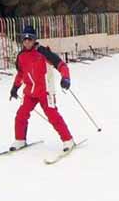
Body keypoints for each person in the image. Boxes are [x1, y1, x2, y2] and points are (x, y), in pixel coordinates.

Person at [9, 25, 75, 153]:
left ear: (34, 40)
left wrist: (66, 78)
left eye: (30, 39)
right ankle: (20, 140)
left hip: (45, 91)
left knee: (52, 115)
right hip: (30, 92)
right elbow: (21, 73)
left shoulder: (43, 52)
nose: (27, 42)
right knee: (21, 115)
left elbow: (61, 65)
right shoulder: (21, 56)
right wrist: (15, 87)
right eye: (24, 39)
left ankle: (68, 140)